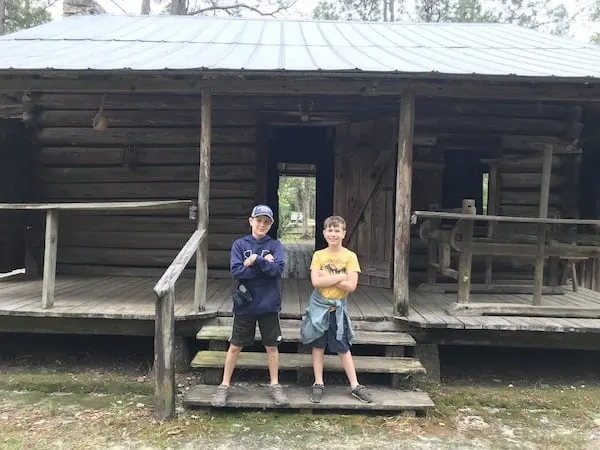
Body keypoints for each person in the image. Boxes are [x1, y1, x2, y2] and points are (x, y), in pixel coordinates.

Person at [211, 204, 289, 407]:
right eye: (259, 220)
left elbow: (277, 271)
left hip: (269, 304)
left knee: (271, 346)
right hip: (245, 304)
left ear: (270, 225)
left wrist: (256, 259)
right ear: (251, 221)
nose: (262, 224)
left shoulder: (275, 245)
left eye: (266, 222)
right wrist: (265, 263)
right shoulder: (239, 245)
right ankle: (224, 385)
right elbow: (237, 272)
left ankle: (275, 385)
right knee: (235, 345)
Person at [300, 215, 373, 404]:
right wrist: (341, 277)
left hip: (337, 310)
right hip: (319, 308)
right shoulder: (319, 255)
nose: (333, 234)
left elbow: (352, 286)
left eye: (337, 230)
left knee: (343, 347)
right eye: (330, 230)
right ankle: (318, 383)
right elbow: (316, 282)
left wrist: (329, 276)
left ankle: (355, 385)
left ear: (344, 233)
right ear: (324, 233)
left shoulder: (350, 257)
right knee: (318, 346)